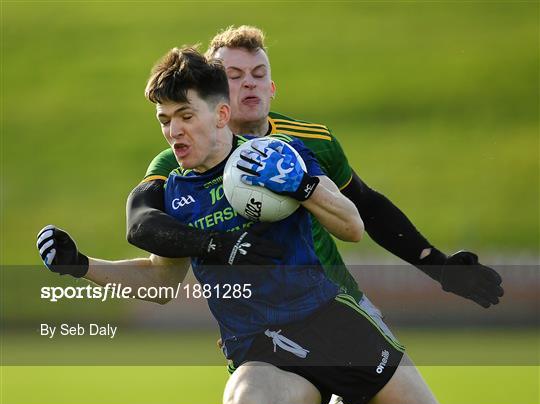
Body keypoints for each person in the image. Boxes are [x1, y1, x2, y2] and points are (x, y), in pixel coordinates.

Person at [37, 47, 442, 404]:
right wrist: (82, 265)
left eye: (185, 116)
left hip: (336, 328)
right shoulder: (176, 194)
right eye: (165, 120)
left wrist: (301, 187)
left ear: (221, 114)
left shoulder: (277, 155)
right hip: (262, 349)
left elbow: (352, 226)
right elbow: (161, 285)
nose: (174, 131)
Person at [126, 26, 503, 310]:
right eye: (234, 76)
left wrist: (437, 265)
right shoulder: (179, 160)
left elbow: (365, 207)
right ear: (213, 91)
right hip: (264, 327)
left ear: (273, 87)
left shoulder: (309, 142)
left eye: (259, 74)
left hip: (341, 304)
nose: (250, 85)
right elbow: (146, 226)